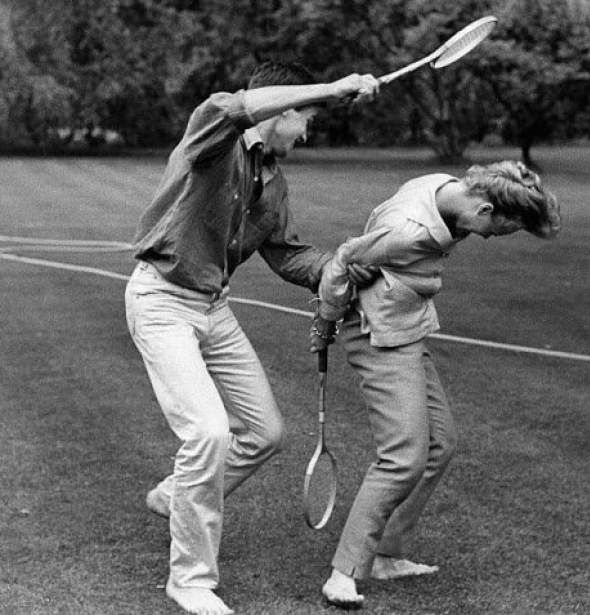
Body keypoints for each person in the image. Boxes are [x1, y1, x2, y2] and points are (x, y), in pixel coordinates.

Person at [124, 61, 379, 615]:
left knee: (264, 433)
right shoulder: (216, 134)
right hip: (162, 301)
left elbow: (289, 256)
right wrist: (335, 89)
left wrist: (348, 266)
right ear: (282, 108)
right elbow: (237, 105)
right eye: (305, 119)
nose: (307, 132)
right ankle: (189, 579)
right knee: (208, 434)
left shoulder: (273, 184)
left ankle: (175, 495)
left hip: (213, 309)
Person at [309, 161, 561, 608]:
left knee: (440, 444)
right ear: (484, 210)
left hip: (405, 322)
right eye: (495, 231)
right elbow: (346, 257)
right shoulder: (410, 231)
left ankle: (386, 552)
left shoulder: (448, 188)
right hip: (377, 332)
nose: (483, 238)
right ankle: (343, 573)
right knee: (402, 457)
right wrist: (326, 317)